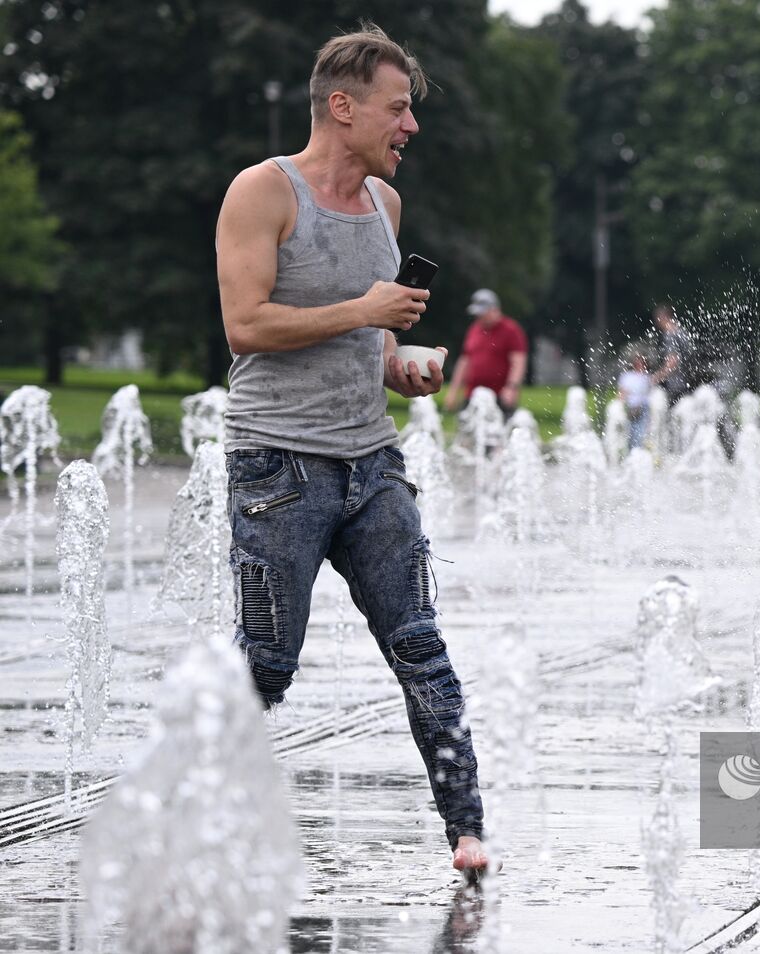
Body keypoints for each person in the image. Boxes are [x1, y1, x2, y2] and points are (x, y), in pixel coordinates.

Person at [215, 24, 491, 879]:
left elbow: (369, 345)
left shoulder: (386, 207)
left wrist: (401, 367)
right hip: (278, 467)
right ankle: (201, 815)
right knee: (265, 665)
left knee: (421, 645)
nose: (410, 126)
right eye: (398, 108)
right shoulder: (263, 193)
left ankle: (467, 832)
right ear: (344, 106)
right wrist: (365, 313)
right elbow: (246, 326)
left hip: (371, 465)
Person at [443, 288, 528, 415]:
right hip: (472, 394)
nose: (479, 317)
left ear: (494, 309)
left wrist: (512, 388)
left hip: (500, 396)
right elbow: (464, 361)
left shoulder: (511, 330)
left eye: (482, 313)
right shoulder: (474, 329)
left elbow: (518, 362)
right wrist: (453, 391)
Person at [652, 302, 693, 405]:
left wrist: (655, 378)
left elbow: (672, 362)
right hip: (690, 381)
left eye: (657, 319)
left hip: (676, 385)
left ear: (663, 318)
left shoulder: (670, 335)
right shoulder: (682, 332)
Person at [617, 350, 652, 450]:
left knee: (641, 434)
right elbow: (622, 393)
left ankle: (638, 454)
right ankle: (632, 455)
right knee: (630, 434)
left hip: (643, 408)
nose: (639, 364)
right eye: (637, 362)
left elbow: (650, 394)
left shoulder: (647, 377)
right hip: (630, 407)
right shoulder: (627, 376)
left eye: (641, 362)